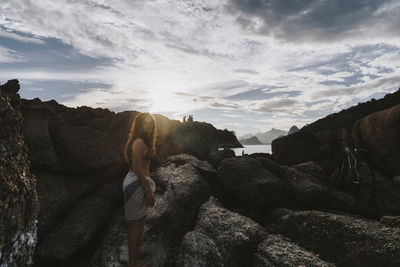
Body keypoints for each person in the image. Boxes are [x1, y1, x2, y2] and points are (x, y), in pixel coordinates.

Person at [123, 112, 157, 267]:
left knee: (141, 221)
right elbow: (136, 167)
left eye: (151, 123)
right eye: (146, 123)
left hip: (140, 182)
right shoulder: (138, 142)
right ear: (140, 124)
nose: (149, 126)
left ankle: (136, 252)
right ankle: (133, 263)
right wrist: (148, 190)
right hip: (136, 184)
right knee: (136, 225)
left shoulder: (145, 140)